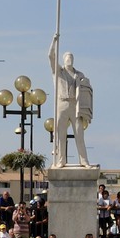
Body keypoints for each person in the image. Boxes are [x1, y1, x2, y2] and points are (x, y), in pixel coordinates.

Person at [48, 30, 93, 167]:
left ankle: (83, 160)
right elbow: (50, 56)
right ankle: (61, 160)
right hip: (62, 104)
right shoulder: (58, 72)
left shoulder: (79, 74)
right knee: (60, 134)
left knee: (79, 134)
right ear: (63, 59)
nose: (69, 60)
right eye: (67, 58)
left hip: (75, 105)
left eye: (71, 58)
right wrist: (54, 40)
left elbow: (86, 90)